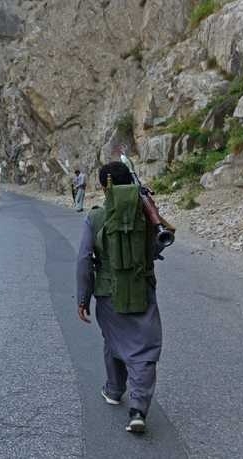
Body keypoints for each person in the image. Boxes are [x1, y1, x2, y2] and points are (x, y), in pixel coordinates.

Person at [75, 161, 162, 434]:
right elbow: (159, 244)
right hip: (141, 289)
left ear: (104, 187)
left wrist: (82, 298)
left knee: (113, 339)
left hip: (107, 294)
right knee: (144, 350)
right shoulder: (146, 211)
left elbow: (83, 260)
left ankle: (113, 390)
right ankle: (137, 409)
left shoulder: (96, 217)